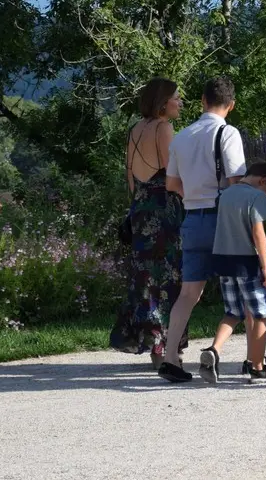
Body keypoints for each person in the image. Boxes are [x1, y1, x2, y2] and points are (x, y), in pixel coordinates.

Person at [157, 76, 247, 383]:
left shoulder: (182, 137)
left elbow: (171, 184)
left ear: (202, 101)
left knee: (188, 294)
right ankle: (253, 359)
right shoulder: (228, 133)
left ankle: (170, 358)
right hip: (223, 220)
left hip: (193, 218)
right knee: (241, 289)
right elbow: (236, 183)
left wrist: (194, 196)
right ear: (230, 105)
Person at [110, 77, 184, 366]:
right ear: (163, 102)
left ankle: (147, 338)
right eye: (176, 97)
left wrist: (138, 205)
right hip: (163, 210)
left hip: (140, 208)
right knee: (168, 277)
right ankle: (164, 346)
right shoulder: (163, 128)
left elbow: (130, 176)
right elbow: (173, 176)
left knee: (144, 278)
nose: (180, 102)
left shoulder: (135, 130)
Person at [197, 162, 266, 384]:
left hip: (224, 260)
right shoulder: (256, 197)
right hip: (247, 262)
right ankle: (257, 368)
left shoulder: (225, 194)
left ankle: (214, 350)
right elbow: (258, 234)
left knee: (233, 313)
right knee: (260, 314)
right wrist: (265, 268)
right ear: (264, 181)